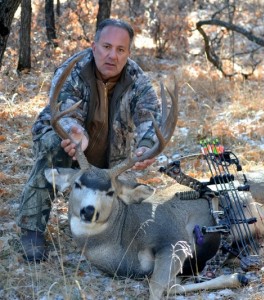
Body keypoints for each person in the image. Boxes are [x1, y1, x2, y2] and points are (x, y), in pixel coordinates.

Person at [17, 18, 162, 262]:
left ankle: (110, 231)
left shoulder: (137, 80)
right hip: (72, 146)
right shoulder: (72, 70)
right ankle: (32, 229)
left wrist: (146, 147)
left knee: (127, 193)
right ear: (93, 46)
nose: (112, 56)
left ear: (128, 52)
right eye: (106, 47)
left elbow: (151, 117)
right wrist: (74, 133)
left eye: (120, 50)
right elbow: (63, 109)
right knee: (55, 148)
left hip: (110, 157)